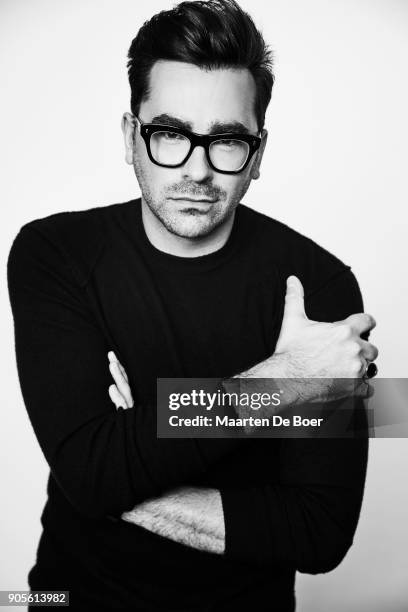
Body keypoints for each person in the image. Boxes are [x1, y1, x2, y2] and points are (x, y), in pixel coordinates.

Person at [7, 0, 378, 610]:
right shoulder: (54, 253)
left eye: (228, 141)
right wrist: (282, 384)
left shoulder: (322, 289)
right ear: (131, 137)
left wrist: (121, 467)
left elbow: (319, 533)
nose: (199, 171)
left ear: (257, 154)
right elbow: (88, 468)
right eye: (170, 135)